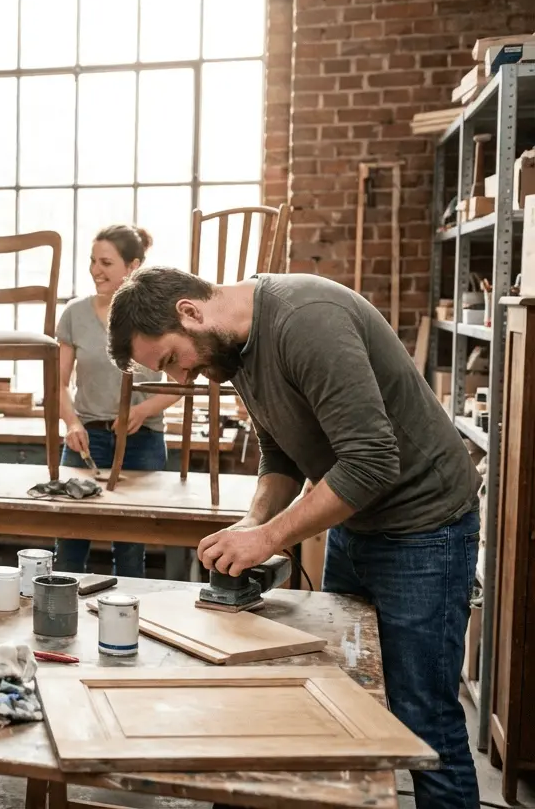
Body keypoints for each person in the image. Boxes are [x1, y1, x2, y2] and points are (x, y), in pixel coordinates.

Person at [106, 266, 481, 808]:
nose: (182, 380)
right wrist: (253, 524)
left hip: (425, 528)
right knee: (346, 695)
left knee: (425, 719)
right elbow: (280, 450)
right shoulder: (232, 347)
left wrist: (267, 540)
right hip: (356, 522)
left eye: (170, 360)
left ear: (189, 312)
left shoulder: (306, 321)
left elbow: (373, 462)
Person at [54, 225, 178, 577]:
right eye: (93, 261)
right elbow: (58, 384)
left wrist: (143, 409)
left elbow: (183, 378)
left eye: (106, 262)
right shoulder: (75, 314)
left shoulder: (158, 315)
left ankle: (125, 628)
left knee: (129, 555)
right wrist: (72, 423)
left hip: (143, 441)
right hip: (86, 443)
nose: (95, 270)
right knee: (68, 551)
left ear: (132, 266)